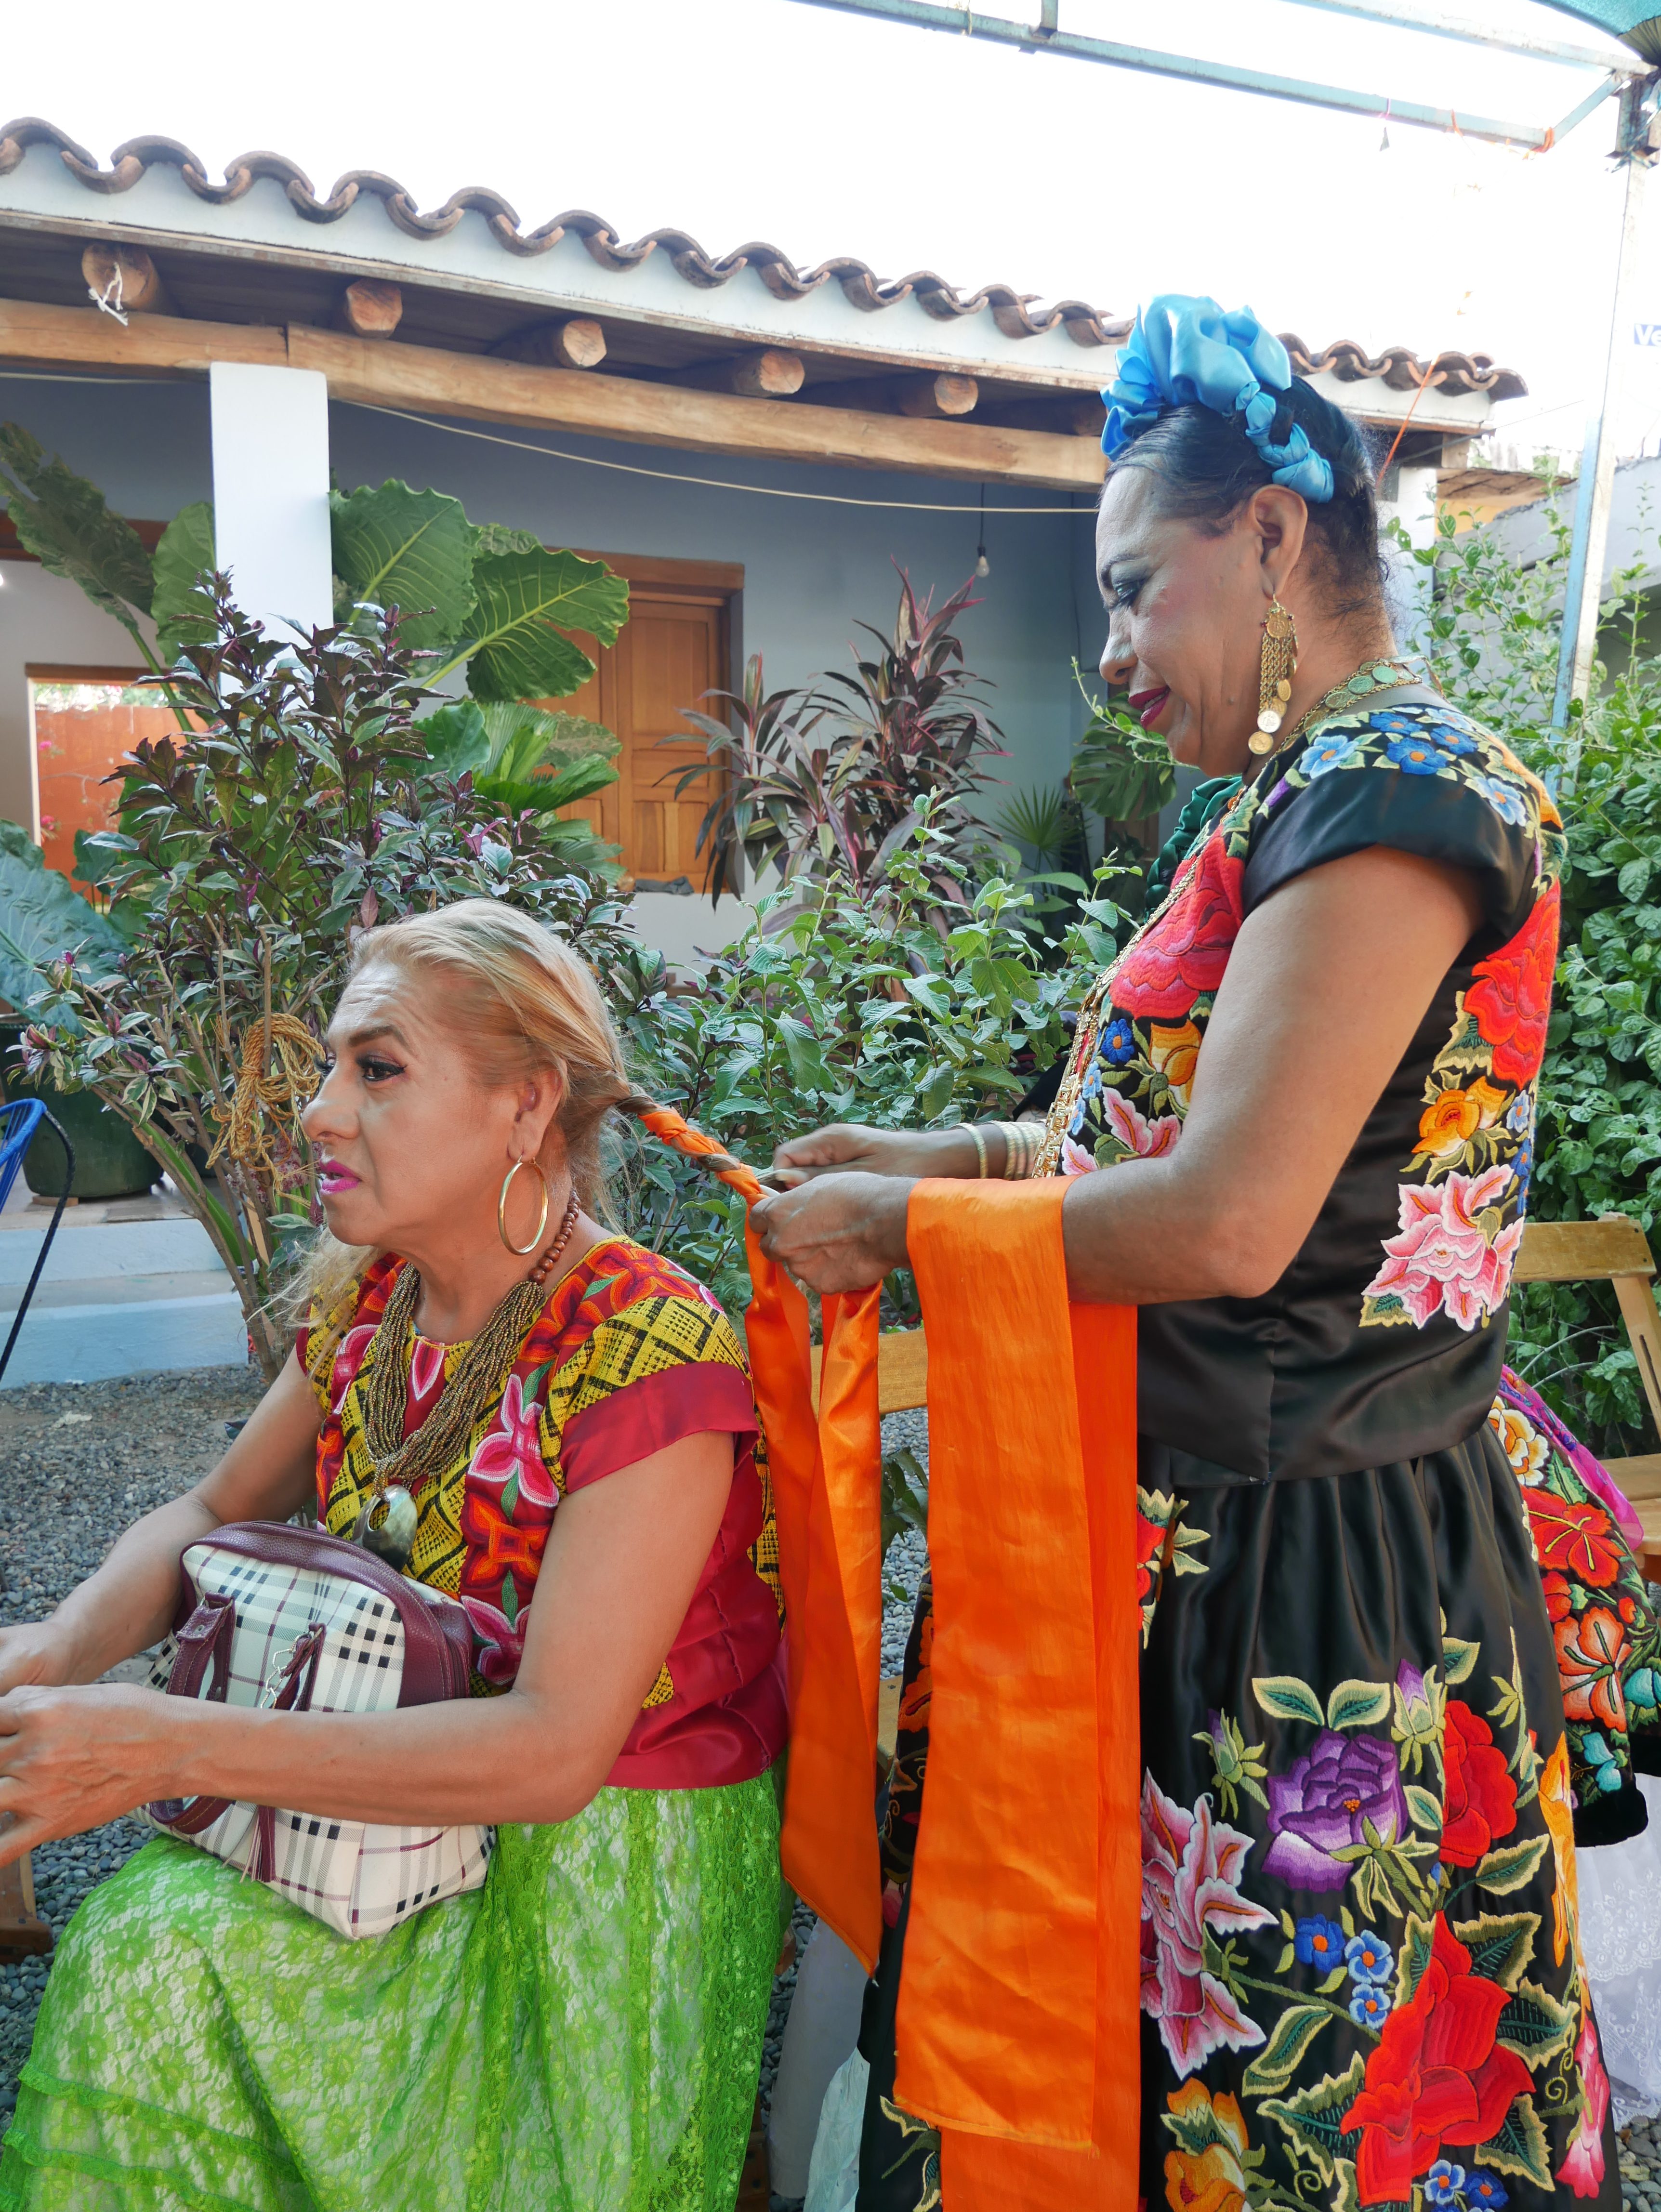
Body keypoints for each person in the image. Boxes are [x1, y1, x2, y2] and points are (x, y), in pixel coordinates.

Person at [753, 299, 1619, 2207]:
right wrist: (945, 1155)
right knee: (1178, 2090)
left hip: (1305, 1588)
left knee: (1298, 2114)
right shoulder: (1285, 809)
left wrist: (906, 1228)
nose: (1119, 655)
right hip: (1201, 1547)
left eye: (1138, 589)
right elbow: (1146, 1148)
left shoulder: (1390, 804)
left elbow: (1227, 1222)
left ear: (1277, 536)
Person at [0, 899, 787, 2212]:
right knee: (140, 1953)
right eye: (332, 1069)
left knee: (156, 1961)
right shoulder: (372, 1307)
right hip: (376, 1805)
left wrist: (165, 1741)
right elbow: (204, 1512)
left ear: (526, 1108)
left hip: (588, 1885)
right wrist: (57, 1650)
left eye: (376, 1070)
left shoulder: (647, 1341)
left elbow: (551, 1750)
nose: (315, 1113)